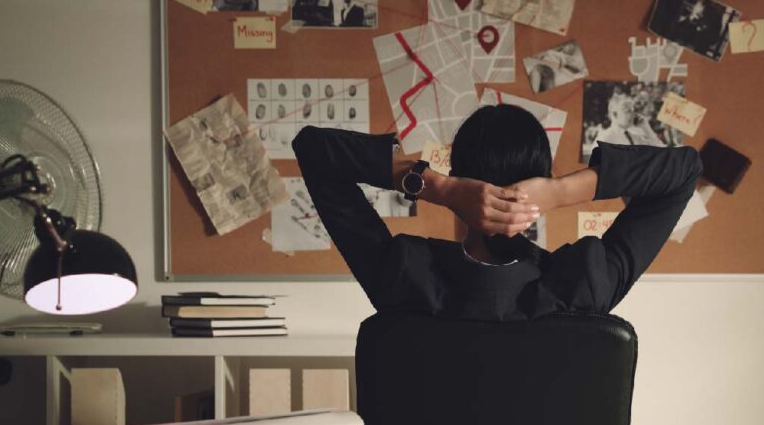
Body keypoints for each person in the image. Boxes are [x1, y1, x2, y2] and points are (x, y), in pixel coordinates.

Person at [293, 103, 701, 321]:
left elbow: (313, 149)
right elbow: (684, 172)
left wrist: (439, 187)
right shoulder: (585, 284)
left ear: (460, 178)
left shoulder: (403, 274)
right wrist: (561, 192)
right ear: (541, 178)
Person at [593, 93, 665, 150]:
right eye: (627, 111)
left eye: (633, 111)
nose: (632, 114)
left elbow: (661, 151)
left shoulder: (636, 137)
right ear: (615, 114)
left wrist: (647, 128)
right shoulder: (605, 139)